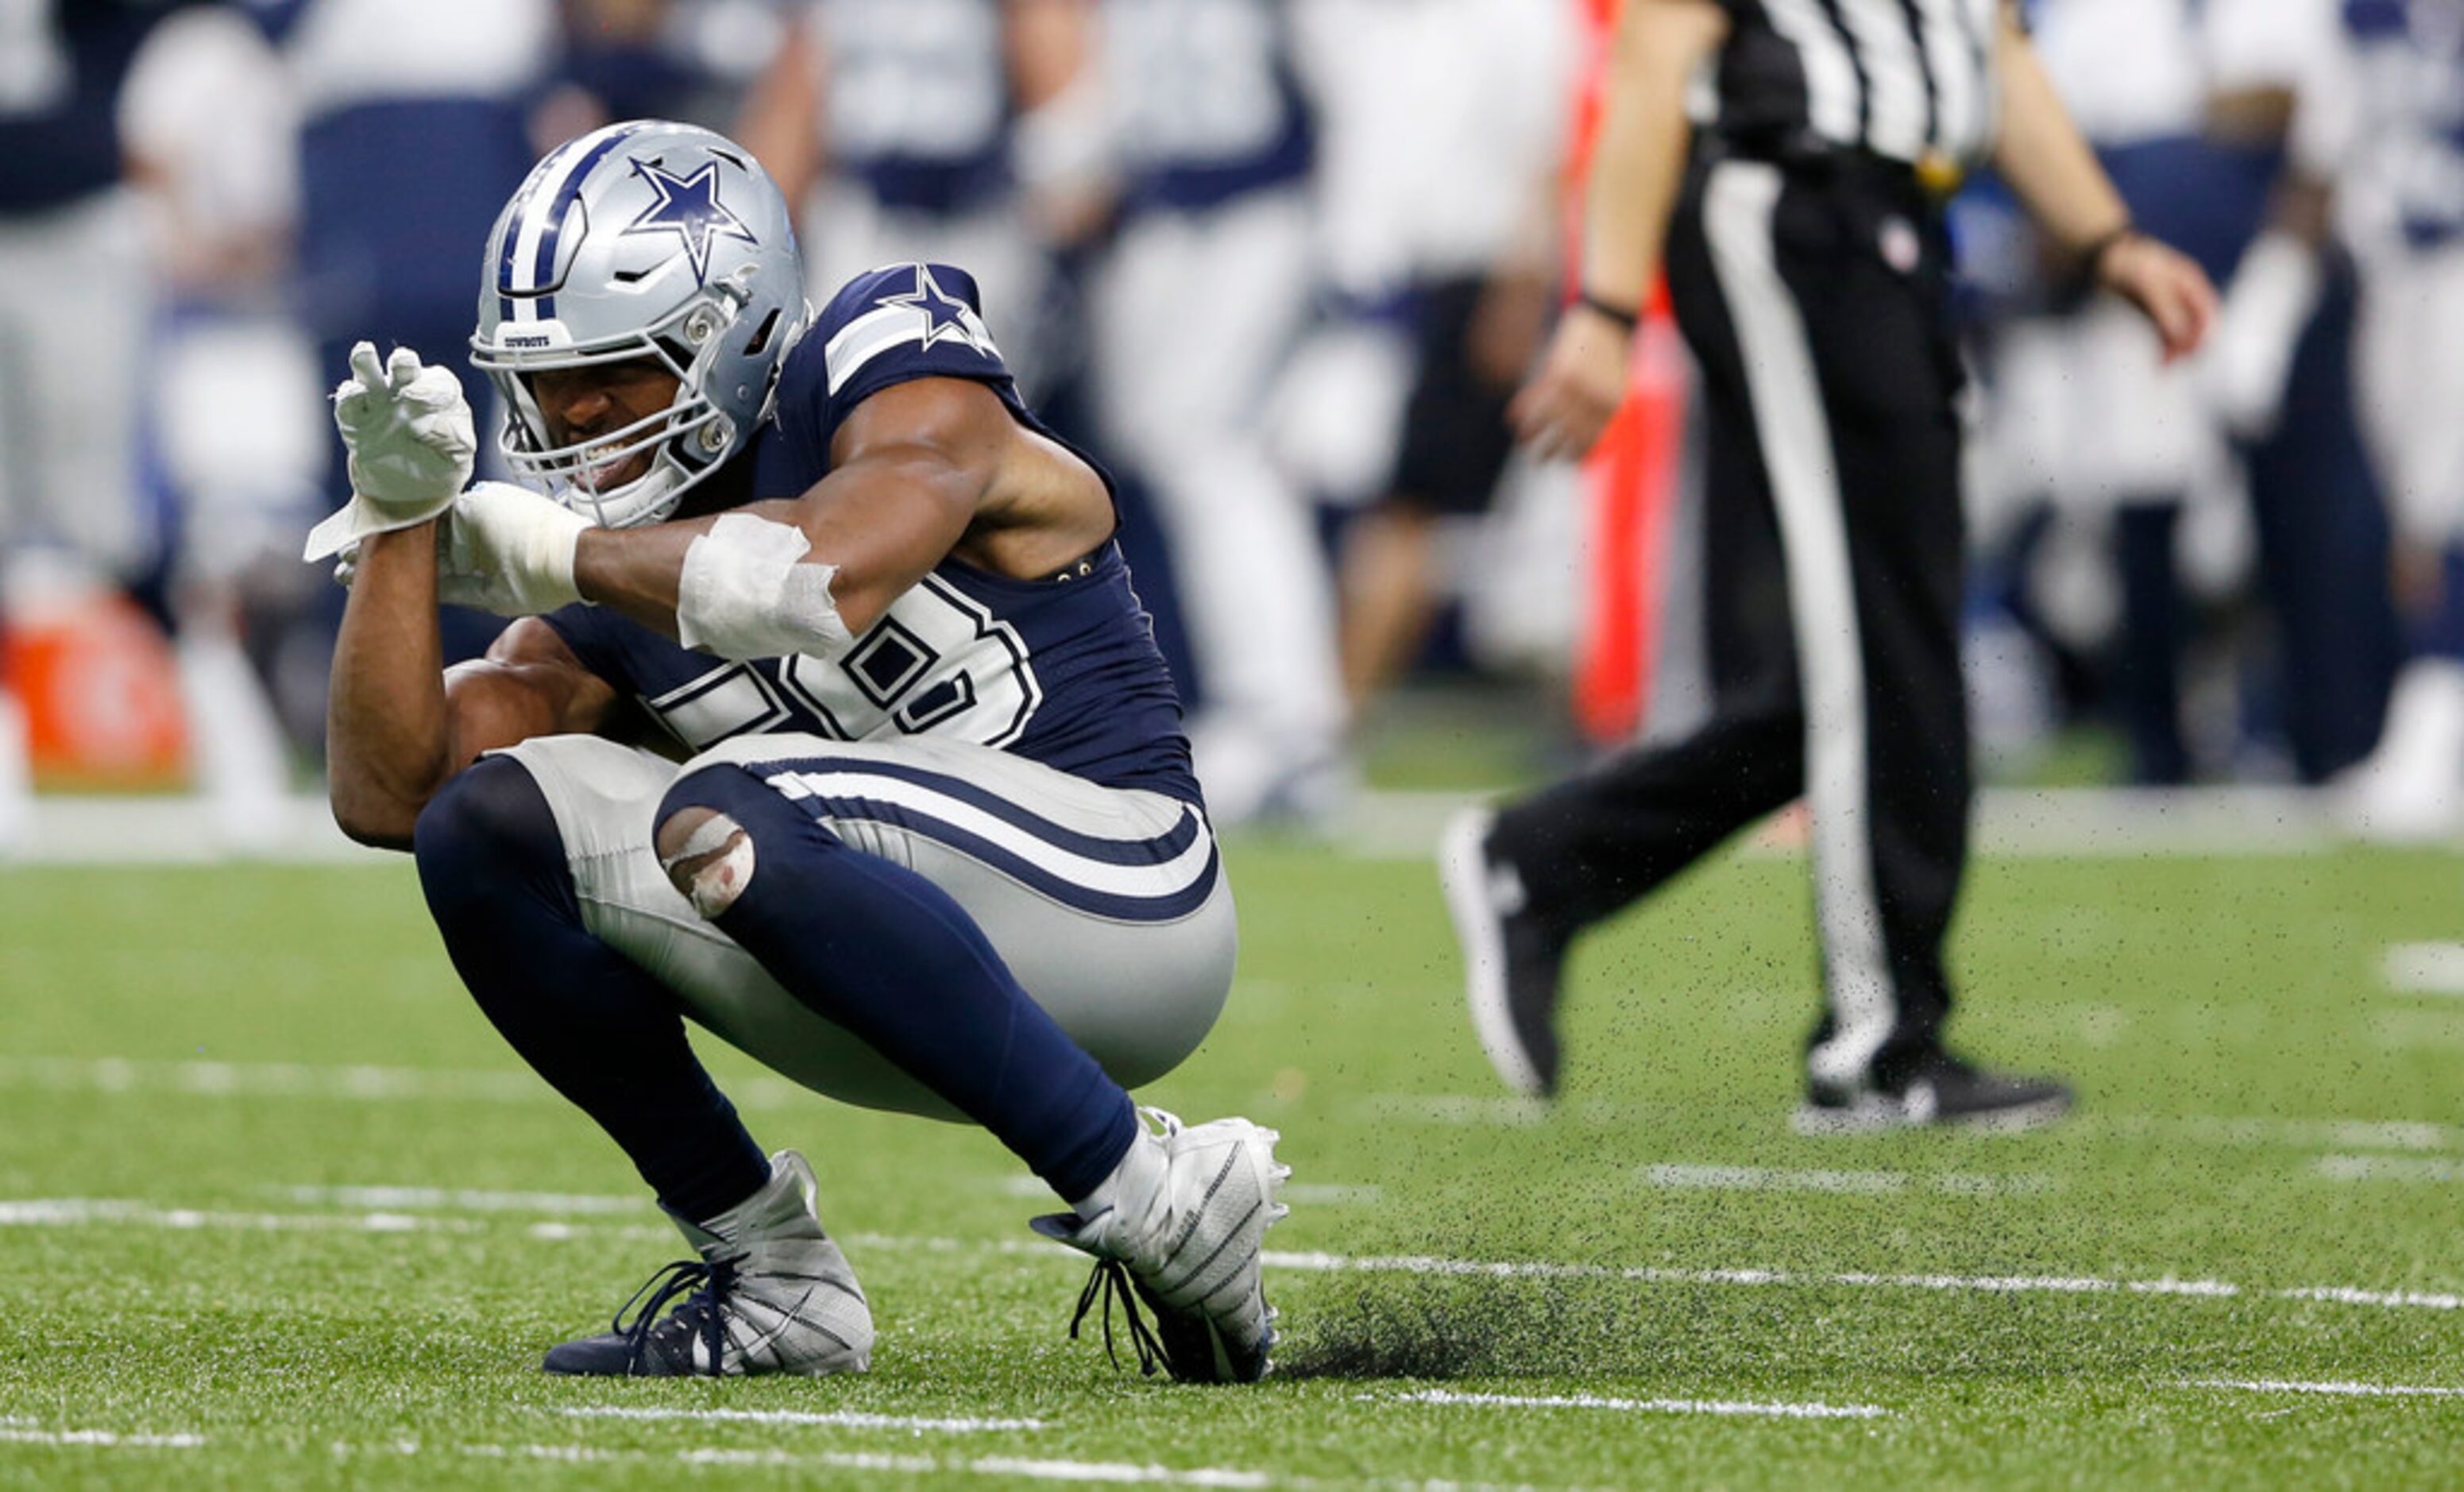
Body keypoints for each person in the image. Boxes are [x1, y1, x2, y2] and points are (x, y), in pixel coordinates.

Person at [311, 119, 1285, 1379]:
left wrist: (552, 554)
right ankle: (770, 1275)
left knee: (729, 794)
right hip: (879, 970)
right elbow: (394, 792)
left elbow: (816, 576)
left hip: (1123, 902)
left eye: (620, 371)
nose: (573, 417)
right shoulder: (616, 574)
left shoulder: (884, 354)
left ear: (736, 332)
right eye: (546, 385)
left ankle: (1160, 1196)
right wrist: (398, 520)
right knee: (485, 824)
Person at [1442, 0, 2217, 1128]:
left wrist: (2108, 240)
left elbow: (1991, 52)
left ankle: (1545, 862)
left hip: (1897, 219)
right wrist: (1606, 307)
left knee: (1880, 656)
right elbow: (1655, 50)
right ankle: (1875, 1041)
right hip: (1791, 206)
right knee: (1884, 645)